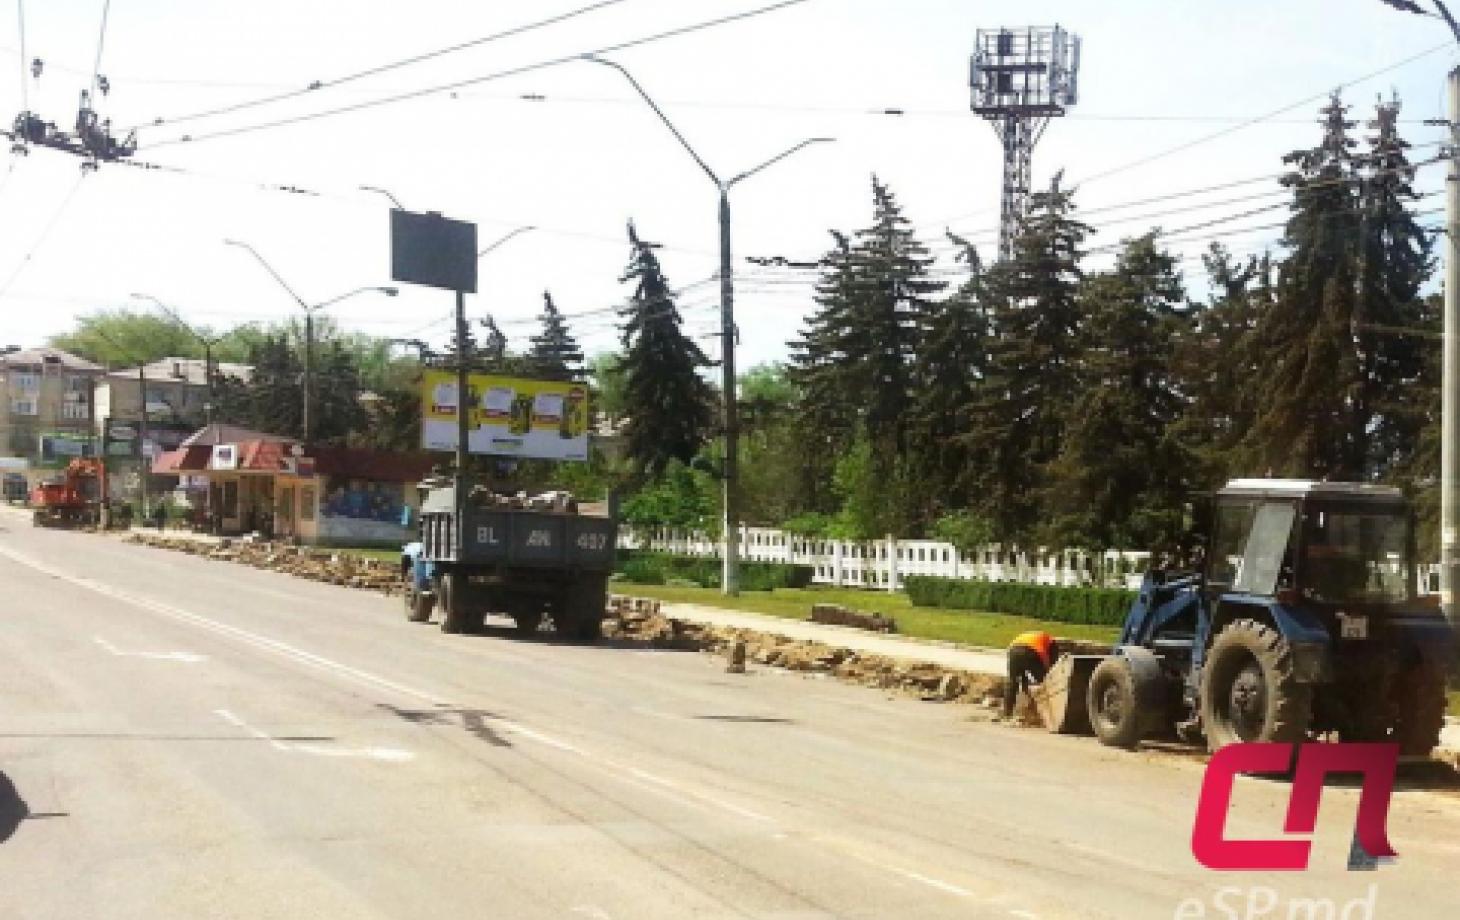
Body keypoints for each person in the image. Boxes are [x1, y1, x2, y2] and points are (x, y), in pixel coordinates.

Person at [1002, 630, 1058, 719]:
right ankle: (1048, 712)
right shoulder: (1051, 642)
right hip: (1030, 651)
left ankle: (1007, 712)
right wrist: (1048, 672)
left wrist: (1025, 682)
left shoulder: (1037, 637)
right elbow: (1044, 655)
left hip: (1013, 651)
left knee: (1012, 682)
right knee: (1045, 683)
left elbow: (1022, 668)